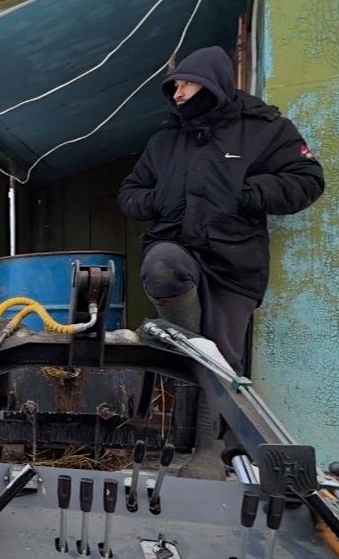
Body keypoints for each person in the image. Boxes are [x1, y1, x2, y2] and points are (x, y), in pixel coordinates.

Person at [118, 46, 324, 372]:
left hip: (234, 264)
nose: (178, 93)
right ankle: (189, 344)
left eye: (185, 83)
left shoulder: (266, 129)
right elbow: (130, 192)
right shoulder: (165, 141)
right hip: (179, 249)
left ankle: (212, 407)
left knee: (221, 369)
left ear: (210, 81)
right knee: (162, 266)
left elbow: (307, 180)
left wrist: (247, 194)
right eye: (173, 86)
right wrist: (160, 199)